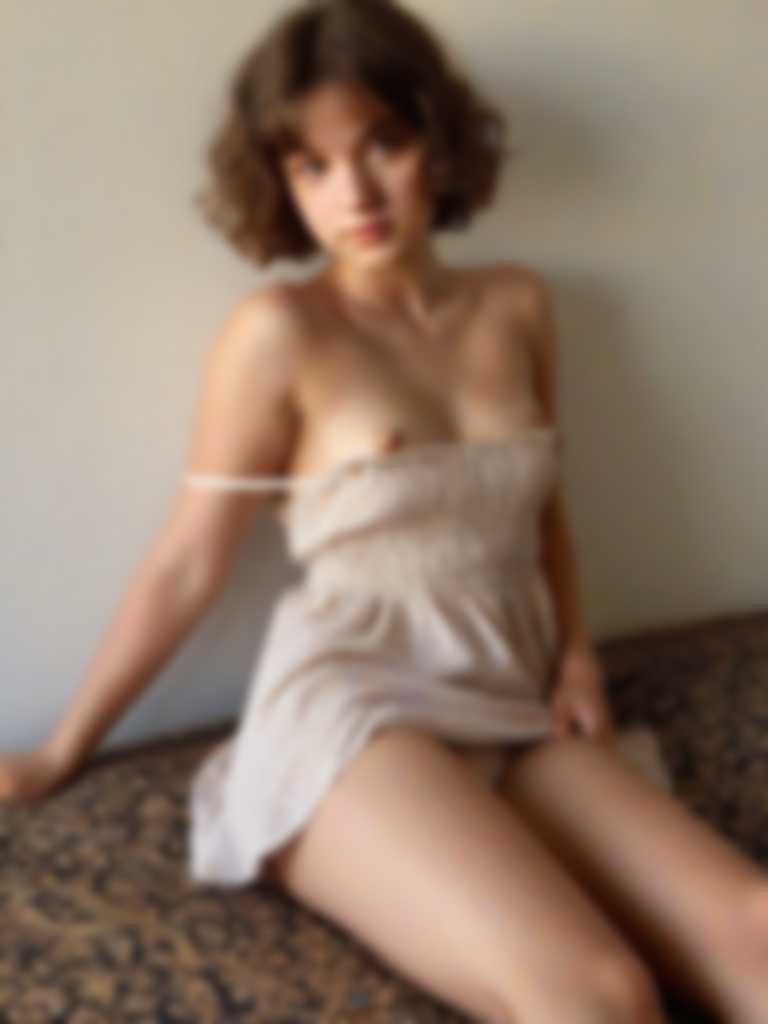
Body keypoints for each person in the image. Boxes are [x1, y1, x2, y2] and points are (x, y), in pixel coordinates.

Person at [2, 1, 768, 1020]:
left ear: (439, 142)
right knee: (599, 993)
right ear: (280, 182)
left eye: (384, 144)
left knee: (755, 927)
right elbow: (188, 561)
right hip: (354, 710)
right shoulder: (280, 331)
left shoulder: (518, 304)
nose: (354, 192)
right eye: (311, 166)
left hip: (511, 694)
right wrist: (62, 750)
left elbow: (546, 508)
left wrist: (578, 656)